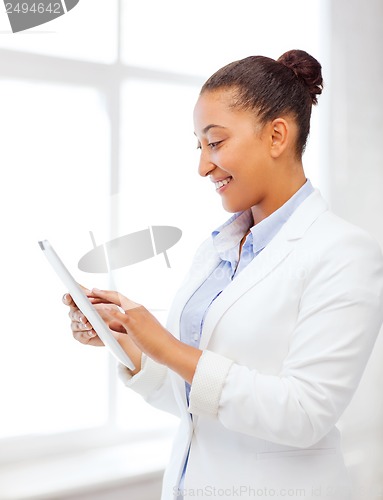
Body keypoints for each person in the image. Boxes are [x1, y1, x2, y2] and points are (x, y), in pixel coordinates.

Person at [63, 49, 383, 499]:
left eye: (215, 142)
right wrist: (127, 344)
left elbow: (306, 414)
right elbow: (194, 400)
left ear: (276, 136)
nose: (202, 166)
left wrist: (167, 346)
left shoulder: (346, 253)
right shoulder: (216, 251)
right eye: (200, 146)